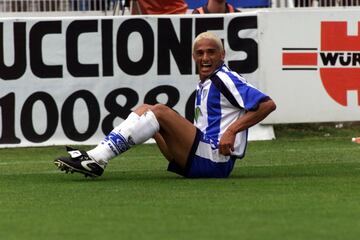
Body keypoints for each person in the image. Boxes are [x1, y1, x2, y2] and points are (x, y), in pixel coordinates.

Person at [54, 32, 276, 179]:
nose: (205, 57)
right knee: (144, 110)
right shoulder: (207, 83)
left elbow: (267, 104)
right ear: (193, 57)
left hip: (215, 159)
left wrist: (232, 131)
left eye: (211, 52)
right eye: (200, 53)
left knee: (159, 111)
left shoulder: (224, 78)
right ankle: (95, 156)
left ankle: (97, 159)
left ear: (222, 55)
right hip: (200, 157)